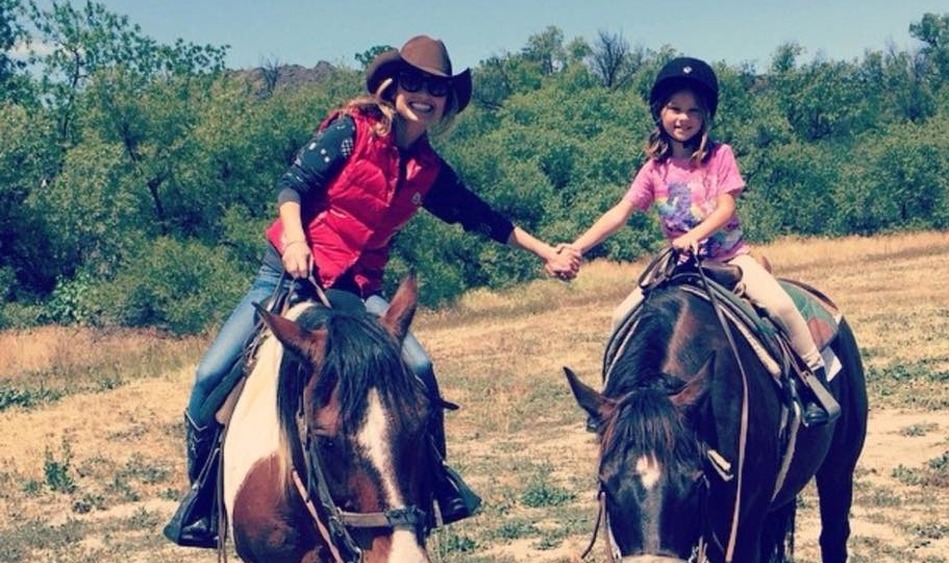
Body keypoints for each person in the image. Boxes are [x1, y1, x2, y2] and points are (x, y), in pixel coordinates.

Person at [165, 34, 581, 547]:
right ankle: (201, 504)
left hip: (360, 290)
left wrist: (546, 253)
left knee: (421, 370)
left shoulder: (427, 169)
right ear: (393, 86)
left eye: (436, 88)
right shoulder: (350, 132)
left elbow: (479, 215)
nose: (424, 95)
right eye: (414, 83)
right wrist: (295, 238)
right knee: (210, 375)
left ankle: (432, 489)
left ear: (447, 101)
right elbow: (293, 185)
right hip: (291, 274)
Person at [562, 57, 839, 428]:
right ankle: (615, 403)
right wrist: (577, 246)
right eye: (675, 108)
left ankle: (813, 386)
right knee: (620, 316)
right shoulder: (654, 169)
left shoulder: (719, 156)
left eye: (693, 110)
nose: (683, 118)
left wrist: (693, 235)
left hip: (731, 259)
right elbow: (621, 212)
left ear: (705, 116)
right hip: (680, 267)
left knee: (781, 306)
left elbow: (726, 208)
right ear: (659, 111)